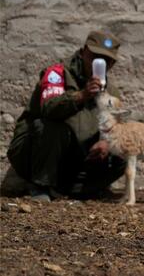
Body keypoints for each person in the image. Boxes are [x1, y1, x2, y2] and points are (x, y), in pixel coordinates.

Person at [6, 30, 126, 202]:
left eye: (106, 60)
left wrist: (107, 142)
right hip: (34, 153)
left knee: (122, 148)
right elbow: (49, 109)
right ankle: (41, 185)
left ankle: (78, 190)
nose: (99, 63)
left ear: (112, 63)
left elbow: (116, 125)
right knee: (50, 127)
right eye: (95, 56)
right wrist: (82, 95)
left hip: (75, 158)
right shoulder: (57, 74)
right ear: (84, 51)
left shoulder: (110, 91)